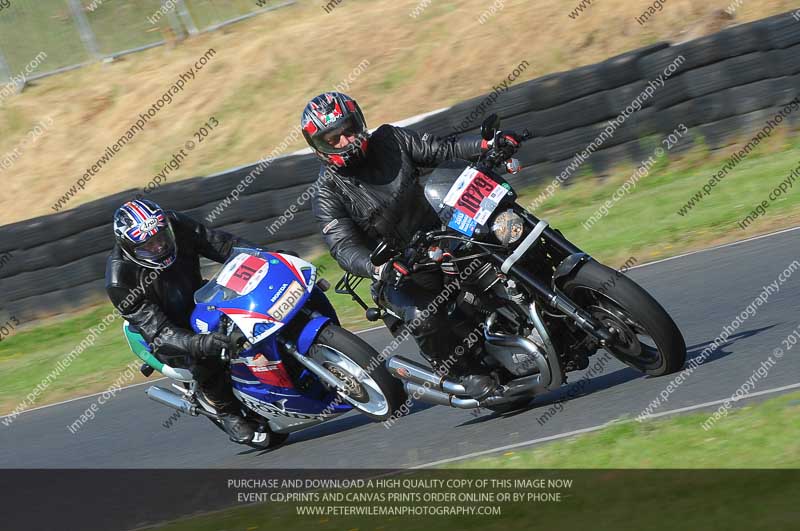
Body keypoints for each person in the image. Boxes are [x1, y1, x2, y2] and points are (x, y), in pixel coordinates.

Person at [304, 92, 522, 399]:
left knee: (506, 236)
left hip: (445, 233)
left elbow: (443, 149)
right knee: (424, 315)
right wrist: (378, 266)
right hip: (400, 268)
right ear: (320, 147)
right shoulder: (327, 193)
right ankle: (464, 370)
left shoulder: (390, 139)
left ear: (359, 123)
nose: (344, 141)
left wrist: (487, 145)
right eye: (332, 138)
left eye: (347, 129)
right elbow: (342, 246)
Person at [105, 199, 260, 443]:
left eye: (161, 239)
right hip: (166, 329)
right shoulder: (120, 280)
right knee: (206, 356)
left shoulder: (176, 223)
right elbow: (158, 333)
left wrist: (265, 258)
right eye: (148, 246)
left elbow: (224, 245)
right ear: (129, 248)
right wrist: (199, 343)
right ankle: (228, 412)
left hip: (198, 295)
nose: (158, 249)